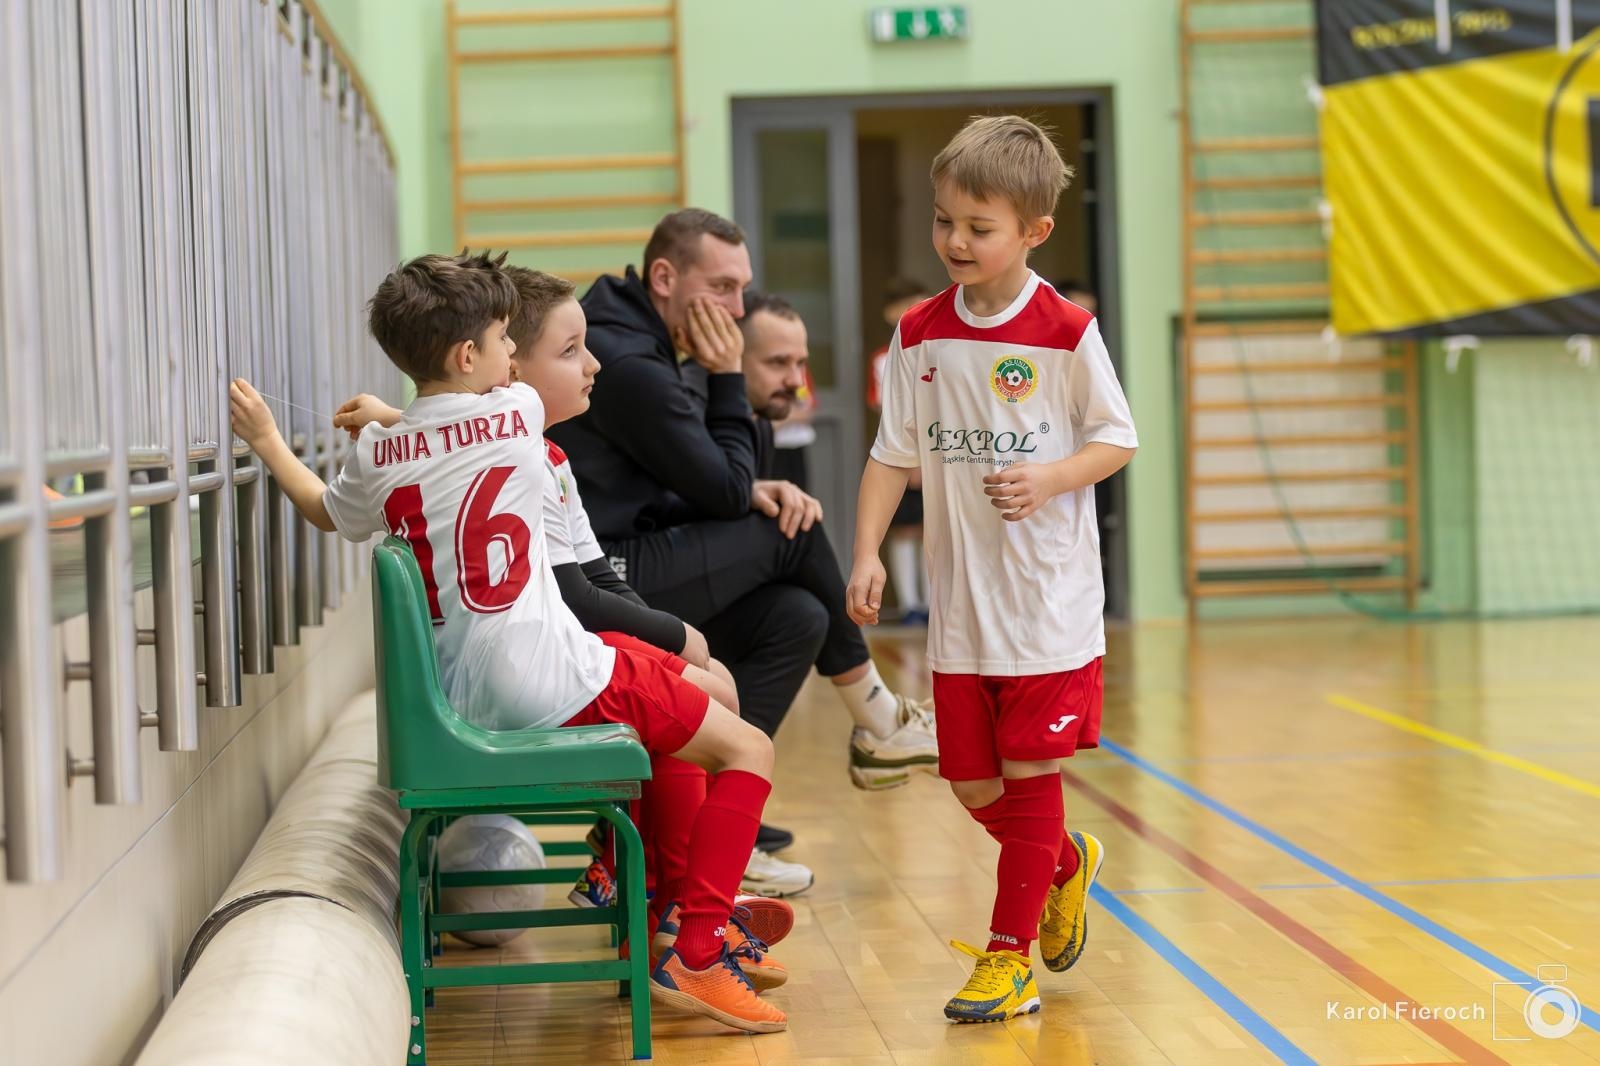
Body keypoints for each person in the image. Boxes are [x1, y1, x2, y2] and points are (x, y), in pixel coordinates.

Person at [230, 250, 787, 1034]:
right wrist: (395, 416)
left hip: (460, 695)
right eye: (500, 340)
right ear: (475, 357)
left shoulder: (380, 459)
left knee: (689, 705)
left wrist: (268, 439)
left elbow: (329, 507)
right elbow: (469, 425)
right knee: (748, 748)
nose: (509, 362)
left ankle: (670, 910)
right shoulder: (521, 410)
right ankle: (693, 948)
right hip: (549, 674)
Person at [846, 116, 1137, 1023]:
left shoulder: (1066, 330)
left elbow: (1117, 437)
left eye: (979, 227)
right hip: (960, 609)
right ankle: (1062, 863)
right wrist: (864, 554)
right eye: (944, 222)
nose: (956, 242)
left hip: (1046, 607)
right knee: (974, 786)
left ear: (1033, 231)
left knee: (1031, 775)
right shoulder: (920, 334)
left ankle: (1008, 962)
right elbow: (892, 454)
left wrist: (1052, 476)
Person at [549, 209, 939, 817]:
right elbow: (725, 491)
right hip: (598, 583)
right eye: (722, 287)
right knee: (792, 529)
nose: (735, 309)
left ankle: (715, 820)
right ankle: (878, 720)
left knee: (798, 616)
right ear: (663, 277)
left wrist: (750, 486)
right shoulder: (631, 362)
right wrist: (729, 377)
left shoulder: (637, 333)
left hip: (617, 562)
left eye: (741, 287)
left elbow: (671, 488)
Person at [867, 278, 934, 624]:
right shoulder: (883, 358)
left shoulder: (936, 351)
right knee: (905, 528)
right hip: (903, 452)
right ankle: (910, 604)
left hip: (937, 451)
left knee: (932, 528)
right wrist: (910, 461)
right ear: (890, 313)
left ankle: (933, 602)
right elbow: (887, 411)